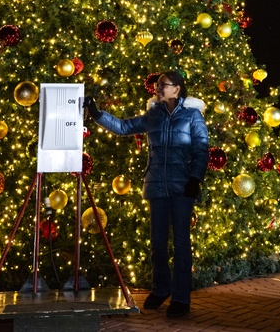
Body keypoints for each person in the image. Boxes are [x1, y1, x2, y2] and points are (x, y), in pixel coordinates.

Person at [85, 70, 209, 319]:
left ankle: (181, 297)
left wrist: (195, 177)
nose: (158, 89)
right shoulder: (153, 115)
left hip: (183, 188)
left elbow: (201, 148)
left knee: (182, 244)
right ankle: (161, 289)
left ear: (177, 89)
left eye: (163, 85)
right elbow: (123, 127)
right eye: (157, 85)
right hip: (156, 188)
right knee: (158, 245)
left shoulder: (192, 116)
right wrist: (98, 115)